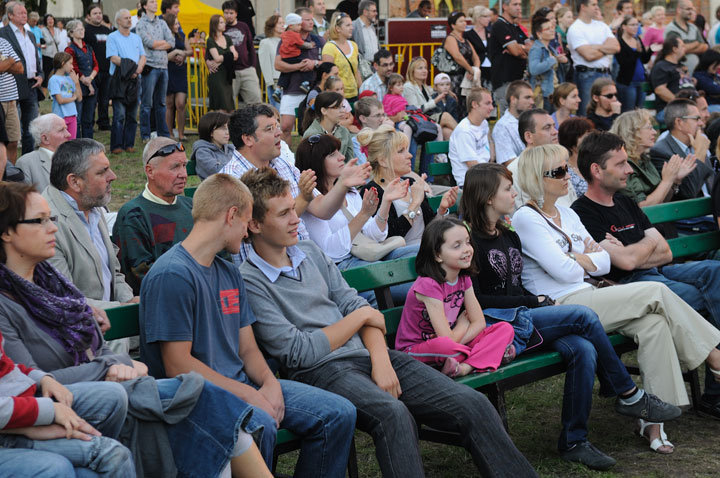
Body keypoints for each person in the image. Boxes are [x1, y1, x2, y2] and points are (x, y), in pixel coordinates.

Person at [238, 166, 538, 477]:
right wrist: (361, 318)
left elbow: (356, 306)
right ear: (255, 224)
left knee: (473, 404)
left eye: (293, 208)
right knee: (393, 414)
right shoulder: (250, 280)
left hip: (369, 355)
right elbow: (299, 352)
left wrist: (380, 358)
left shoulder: (309, 252)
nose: (296, 218)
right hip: (320, 372)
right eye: (284, 213)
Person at [0, 182, 274, 478]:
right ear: (6, 232)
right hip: (77, 405)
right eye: (39, 221)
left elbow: (101, 351)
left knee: (214, 411)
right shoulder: (7, 304)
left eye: (51, 219)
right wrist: (110, 366)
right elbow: (27, 383)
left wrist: (112, 363)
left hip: (112, 394)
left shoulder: (56, 287)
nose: (52, 228)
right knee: (206, 406)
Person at [461, 163, 683, 469]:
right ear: (487, 197)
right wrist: (534, 300)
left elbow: (524, 281)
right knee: (582, 315)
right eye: (507, 189)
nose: (514, 193)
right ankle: (626, 391)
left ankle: (574, 441)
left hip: (526, 318)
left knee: (584, 347)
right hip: (498, 325)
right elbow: (474, 298)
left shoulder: (508, 235)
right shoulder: (468, 241)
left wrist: (535, 299)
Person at [138, 171, 357, 475]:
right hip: (199, 399)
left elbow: (248, 349)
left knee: (338, 413)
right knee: (261, 423)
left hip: (243, 386)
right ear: (231, 215)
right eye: (245, 223)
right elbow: (178, 366)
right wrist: (251, 395)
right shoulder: (172, 275)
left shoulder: (228, 271)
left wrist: (269, 384)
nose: (246, 234)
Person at [512, 143, 720, 453]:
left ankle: (652, 422)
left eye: (566, 168)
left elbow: (603, 263)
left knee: (653, 323)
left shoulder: (566, 214)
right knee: (656, 291)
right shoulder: (526, 218)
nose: (567, 175)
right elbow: (567, 271)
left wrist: (578, 256)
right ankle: (715, 357)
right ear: (536, 177)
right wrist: (584, 256)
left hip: (592, 294)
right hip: (565, 307)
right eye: (558, 171)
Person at [572, 130, 720, 426]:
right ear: (597, 171)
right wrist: (639, 250)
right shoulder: (583, 213)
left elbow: (663, 251)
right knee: (711, 297)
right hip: (630, 287)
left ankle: (715, 388)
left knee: (715, 272)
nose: (629, 169)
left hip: (658, 272)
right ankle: (715, 390)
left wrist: (634, 251)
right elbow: (625, 264)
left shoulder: (624, 201)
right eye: (621, 164)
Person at [221, 103, 365, 264]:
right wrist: (303, 197)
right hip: (266, 272)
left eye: (277, 126)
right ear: (248, 139)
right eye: (269, 129)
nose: (279, 133)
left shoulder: (282, 163)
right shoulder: (231, 180)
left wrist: (342, 185)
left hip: (304, 261)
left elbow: (322, 210)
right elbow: (265, 227)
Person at [295, 133, 417, 304]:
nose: (341, 157)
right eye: (332, 154)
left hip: (369, 254)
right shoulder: (312, 199)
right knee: (415, 284)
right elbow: (332, 252)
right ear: (316, 161)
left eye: (339, 151)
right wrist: (362, 215)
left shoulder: (351, 192)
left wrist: (385, 203)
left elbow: (374, 236)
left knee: (422, 251)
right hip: (343, 266)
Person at [0, 326, 134, 476]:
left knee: (113, 395)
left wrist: (43, 379)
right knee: (105, 456)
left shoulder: (74, 306)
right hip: (13, 417)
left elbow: (5, 367)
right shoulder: (7, 309)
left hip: (19, 404)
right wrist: (49, 411)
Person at [397, 217, 516, 378]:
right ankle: (488, 354)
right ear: (438, 255)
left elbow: (479, 322)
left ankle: (464, 367)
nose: (467, 249)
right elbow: (446, 338)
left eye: (468, 242)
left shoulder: (463, 279)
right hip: (416, 350)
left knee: (504, 328)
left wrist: (457, 339)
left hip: (453, 344)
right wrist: (461, 324)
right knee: (444, 346)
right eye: (457, 245)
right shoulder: (428, 285)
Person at [42, 139, 136, 321]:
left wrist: (130, 300)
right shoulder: (45, 222)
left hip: (111, 327)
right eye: (102, 172)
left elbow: (114, 273)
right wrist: (123, 309)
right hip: (79, 335)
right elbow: (64, 299)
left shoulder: (92, 206)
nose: (113, 176)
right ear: (75, 182)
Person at [113, 138, 192, 294]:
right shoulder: (133, 215)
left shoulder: (193, 206)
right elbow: (141, 275)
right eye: (175, 167)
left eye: (184, 165)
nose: (183, 174)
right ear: (150, 171)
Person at [362, 124, 458, 242]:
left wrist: (442, 210)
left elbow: (430, 229)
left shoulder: (411, 183)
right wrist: (415, 203)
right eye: (401, 151)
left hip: (426, 249)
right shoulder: (372, 191)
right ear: (383, 160)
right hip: (404, 256)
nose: (410, 155)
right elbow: (390, 236)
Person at [609, 109, 695, 206]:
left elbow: (662, 200)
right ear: (632, 132)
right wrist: (667, 181)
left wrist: (675, 180)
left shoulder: (644, 159)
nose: (654, 132)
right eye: (649, 128)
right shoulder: (624, 164)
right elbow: (642, 206)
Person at [275, 8, 324, 144]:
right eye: (307, 20)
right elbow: (278, 65)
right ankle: (286, 160)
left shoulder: (318, 40)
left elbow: (328, 63)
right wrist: (299, 67)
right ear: (296, 22)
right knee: (285, 127)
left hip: (313, 90)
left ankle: (310, 157)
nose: (311, 23)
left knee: (313, 127)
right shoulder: (285, 39)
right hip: (291, 89)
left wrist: (314, 63)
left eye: (311, 19)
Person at [649, 98, 714, 200]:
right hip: (690, 212)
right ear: (679, 122)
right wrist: (700, 154)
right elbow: (689, 193)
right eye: (696, 119)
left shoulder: (696, 143)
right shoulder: (661, 152)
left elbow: (712, 182)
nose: (701, 123)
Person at [0, 1, 43, 155]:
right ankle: (8, 167)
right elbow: (8, 63)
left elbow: (35, 59)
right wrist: (12, 64)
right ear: (10, 15)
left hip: (32, 85)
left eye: (25, 13)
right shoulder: (3, 33)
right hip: (11, 87)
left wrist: (40, 75)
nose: (25, 15)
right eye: (21, 13)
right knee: (11, 133)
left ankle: (27, 161)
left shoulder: (30, 34)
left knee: (30, 128)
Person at [567, 0, 619, 115]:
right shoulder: (576, 28)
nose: (597, 7)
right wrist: (606, 48)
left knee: (608, 111)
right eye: (593, 5)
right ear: (583, 7)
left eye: (597, 5)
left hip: (606, 74)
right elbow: (588, 56)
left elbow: (616, 47)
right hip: (587, 75)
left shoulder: (602, 26)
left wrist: (595, 47)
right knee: (587, 113)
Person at [107, 8, 145, 154]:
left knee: (132, 114)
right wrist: (131, 70)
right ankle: (116, 145)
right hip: (119, 79)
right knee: (119, 114)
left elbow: (143, 56)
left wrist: (138, 69)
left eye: (130, 18)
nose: (129, 20)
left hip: (135, 80)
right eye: (126, 18)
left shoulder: (136, 38)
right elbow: (114, 58)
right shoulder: (112, 37)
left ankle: (129, 143)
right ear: (118, 21)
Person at [136, 0, 174, 141]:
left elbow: (172, 42)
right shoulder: (141, 24)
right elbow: (148, 43)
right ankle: (145, 134)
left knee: (161, 103)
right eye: (152, 1)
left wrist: (156, 45)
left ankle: (163, 134)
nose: (155, 3)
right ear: (145, 6)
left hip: (163, 66)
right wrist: (161, 44)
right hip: (150, 67)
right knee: (147, 104)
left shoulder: (162, 23)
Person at [488, 0, 529, 116]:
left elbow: (531, 48)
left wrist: (520, 47)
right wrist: (519, 49)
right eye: (515, 4)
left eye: (520, 4)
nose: (519, 8)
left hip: (518, 80)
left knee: (521, 119)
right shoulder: (499, 25)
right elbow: (516, 52)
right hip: (504, 81)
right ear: (505, 6)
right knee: (508, 119)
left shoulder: (515, 27)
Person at [219, 1, 261, 109]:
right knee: (228, 105)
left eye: (231, 13)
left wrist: (252, 66)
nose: (228, 15)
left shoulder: (244, 26)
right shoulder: (221, 28)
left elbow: (250, 47)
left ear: (236, 13)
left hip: (247, 69)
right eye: (226, 13)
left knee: (255, 103)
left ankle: (255, 125)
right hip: (229, 72)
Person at [403, 56, 457, 139]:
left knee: (447, 132)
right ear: (412, 71)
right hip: (419, 120)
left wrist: (448, 92)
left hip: (428, 118)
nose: (424, 71)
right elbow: (415, 110)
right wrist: (436, 100)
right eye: (420, 68)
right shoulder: (408, 86)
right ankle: (466, 135)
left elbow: (437, 88)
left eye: (425, 68)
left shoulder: (424, 87)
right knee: (445, 116)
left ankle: (460, 148)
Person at [448, 88, 493, 186]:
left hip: (484, 177)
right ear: (474, 104)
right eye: (487, 103)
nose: (492, 107)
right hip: (470, 184)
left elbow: (488, 153)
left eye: (491, 103)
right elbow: (473, 166)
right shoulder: (464, 131)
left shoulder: (483, 123)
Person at [16, 113, 70, 192]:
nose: (68, 134)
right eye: (61, 130)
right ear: (45, 139)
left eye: (66, 129)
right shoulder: (26, 163)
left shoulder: (74, 157)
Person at [64, 20, 97, 140]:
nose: (82, 31)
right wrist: (85, 81)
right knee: (77, 117)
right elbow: (74, 68)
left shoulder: (88, 47)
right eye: (79, 29)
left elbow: (95, 65)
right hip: (77, 85)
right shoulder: (69, 49)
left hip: (90, 82)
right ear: (71, 33)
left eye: (82, 29)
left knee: (88, 118)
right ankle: (77, 144)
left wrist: (91, 79)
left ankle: (89, 144)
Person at [443, 11, 480, 119]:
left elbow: (476, 57)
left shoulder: (466, 40)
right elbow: (457, 56)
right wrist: (470, 70)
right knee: (456, 106)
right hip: (454, 79)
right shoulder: (450, 39)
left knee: (466, 106)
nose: (464, 23)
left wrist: (474, 70)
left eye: (465, 21)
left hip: (467, 78)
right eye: (461, 21)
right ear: (453, 25)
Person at [84, 3, 113, 132]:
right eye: (95, 13)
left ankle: (104, 122)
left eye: (100, 13)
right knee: (92, 99)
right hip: (92, 71)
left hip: (107, 69)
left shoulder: (108, 31)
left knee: (105, 99)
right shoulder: (85, 31)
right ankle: (89, 123)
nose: (98, 15)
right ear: (88, 16)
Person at [302, 91, 356, 161]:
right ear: (324, 111)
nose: (343, 111)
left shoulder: (344, 131)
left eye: (342, 107)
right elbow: (312, 165)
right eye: (337, 107)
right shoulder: (312, 135)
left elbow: (351, 161)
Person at [492, 80, 535, 165]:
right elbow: (510, 163)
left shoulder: (533, 120)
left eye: (532, 98)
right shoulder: (502, 127)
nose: (532, 102)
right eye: (527, 97)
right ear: (513, 99)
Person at [614, 16, 651, 113]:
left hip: (641, 80)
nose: (636, 27)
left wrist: (650, 50)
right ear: (624, 27)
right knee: (629, 112)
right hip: (628, 82)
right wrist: (637, 52)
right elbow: (625, 63)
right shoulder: (619, 42)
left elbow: (644, 60)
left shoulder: (637, 39)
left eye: (637, 25)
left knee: (640, 112)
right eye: (632, 25)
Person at [322, 11, 361, 102]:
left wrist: (361, 90)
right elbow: (328, 76)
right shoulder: (329, 47)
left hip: (354, 95)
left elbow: (356, 71)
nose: (351, 28)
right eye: (348, 25)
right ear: (338, 28)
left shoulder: (354, 45)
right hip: (338, 96)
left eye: (351, 25)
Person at [529, 16, 566, 112]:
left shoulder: (550, 48)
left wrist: (562, 61)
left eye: (552, 28)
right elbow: (533, 69)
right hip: (543, 93)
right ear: (539, 33)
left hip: (554, 91)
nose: (552, 30)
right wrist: (552, 60)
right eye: (548, 29)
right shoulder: (536, 49)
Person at [164, 12, 191, 141]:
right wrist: (174, 54)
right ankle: (169, 132)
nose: (178, 25)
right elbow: (162, 56)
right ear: (169, 25)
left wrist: (182, 53)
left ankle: (181, 133)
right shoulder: (164, 38)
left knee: (180, 104)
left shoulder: (182, 36)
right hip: (168, 70)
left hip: (180, 72)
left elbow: (190, 50)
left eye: (178, 23)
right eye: (175, 23)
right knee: (169, 103)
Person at [276, 13, 316, 99]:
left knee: (285, 73)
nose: (300, 27)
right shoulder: (294, 35)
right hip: (293, 56)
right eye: (298, 25)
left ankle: (278, 89)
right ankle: (305, 83)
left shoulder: (284, 34)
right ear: (291, 26)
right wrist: (311, 45)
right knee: (306, 64)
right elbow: (301, 44)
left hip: (285, 57)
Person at [664, 0, 707, 75]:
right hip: (680, 74)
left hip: (698, 73)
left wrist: (686, 47)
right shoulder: (671, 29)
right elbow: (676, 50)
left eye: (692, 9)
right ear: (679, 10)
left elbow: (705, 46)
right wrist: (696, 43)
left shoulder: (693, 27)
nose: (691, 12)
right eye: (688, 9)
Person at [650, 36, 686, 123]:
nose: (685, 48)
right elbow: (660, 90)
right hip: (669, 109)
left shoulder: (679, 66)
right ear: (674, 49)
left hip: (686, 107)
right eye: (683, 46)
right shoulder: (661, 66)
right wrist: (681, 104)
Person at [206, 14, 237, 113]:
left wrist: (221, 60)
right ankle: (219, 127)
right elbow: (216, 57)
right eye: (221, 22)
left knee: (230, 107)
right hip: (217, 75)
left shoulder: (227, 38)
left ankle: (227, 128)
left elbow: (235, 55)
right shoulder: (210, 40)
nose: (224, 24)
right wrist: (228, 56)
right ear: (215, 25)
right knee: (221, 107)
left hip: (227, 75)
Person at [558, 116, 596, 197]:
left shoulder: (594, 164)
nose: (590, 140)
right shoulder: (563, 169)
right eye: (586, 135)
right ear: (571, 138)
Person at [0, 35, 23, 165]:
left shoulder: (3, 41)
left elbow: (20, 68)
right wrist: (9, 61)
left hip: (11, 99)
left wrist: (5, 63)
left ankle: (10, 174)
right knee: (1, 143)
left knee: (13, 141)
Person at [191, 111, 234, 179]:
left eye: (228, 128)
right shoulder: (202, 152)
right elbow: (217, 172)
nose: (227, 132)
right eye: (223, 128)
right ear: (211, 132)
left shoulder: (231, 149)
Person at [47, 52, 81, 140]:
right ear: (63, 63)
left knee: (71, 143)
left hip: (72, 116)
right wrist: (73, 98)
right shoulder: (54, 80)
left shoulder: (70, 78)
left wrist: (76, 83)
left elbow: (80, 98)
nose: (72, 67)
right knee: (60, 144)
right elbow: (60, 100)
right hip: (60, 117)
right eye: (70, 64)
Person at [258, 14, 283, 109]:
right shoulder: (265, 42)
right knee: (278, 111)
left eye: (283, 23)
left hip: (287, 82)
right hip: (275, 82)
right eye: (279, 23)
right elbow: (265, 64)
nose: (282, 25)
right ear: (272, 25)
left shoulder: (285, 41)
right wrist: (270, 83)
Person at [465, 6, 492, 88]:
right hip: (478, 70)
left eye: (489, 16)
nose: (489, 19)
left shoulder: (491, 33)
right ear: (478, 18)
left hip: (492, 70)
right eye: (486, 16)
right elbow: (467, 54)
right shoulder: (468, 35)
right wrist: (470, 70)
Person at [351, 0, 378, 81]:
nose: (376, 13)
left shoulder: (372, 27)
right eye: (373, 11)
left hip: (374, 68)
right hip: (361, 71)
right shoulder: (353, 26)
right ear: (365, 12)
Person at [39, 13, 58, 88]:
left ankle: (53, 87)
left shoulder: (56, 30)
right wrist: (43, 46)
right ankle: (45, 89)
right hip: (46, 54)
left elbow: (58, 41)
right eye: (48, 19)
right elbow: (41, 42)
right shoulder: (42, 30)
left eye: (52, 19)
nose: (50, 21)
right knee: (47, 72)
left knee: (55, 72)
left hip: (55, 54)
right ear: (45, 21)